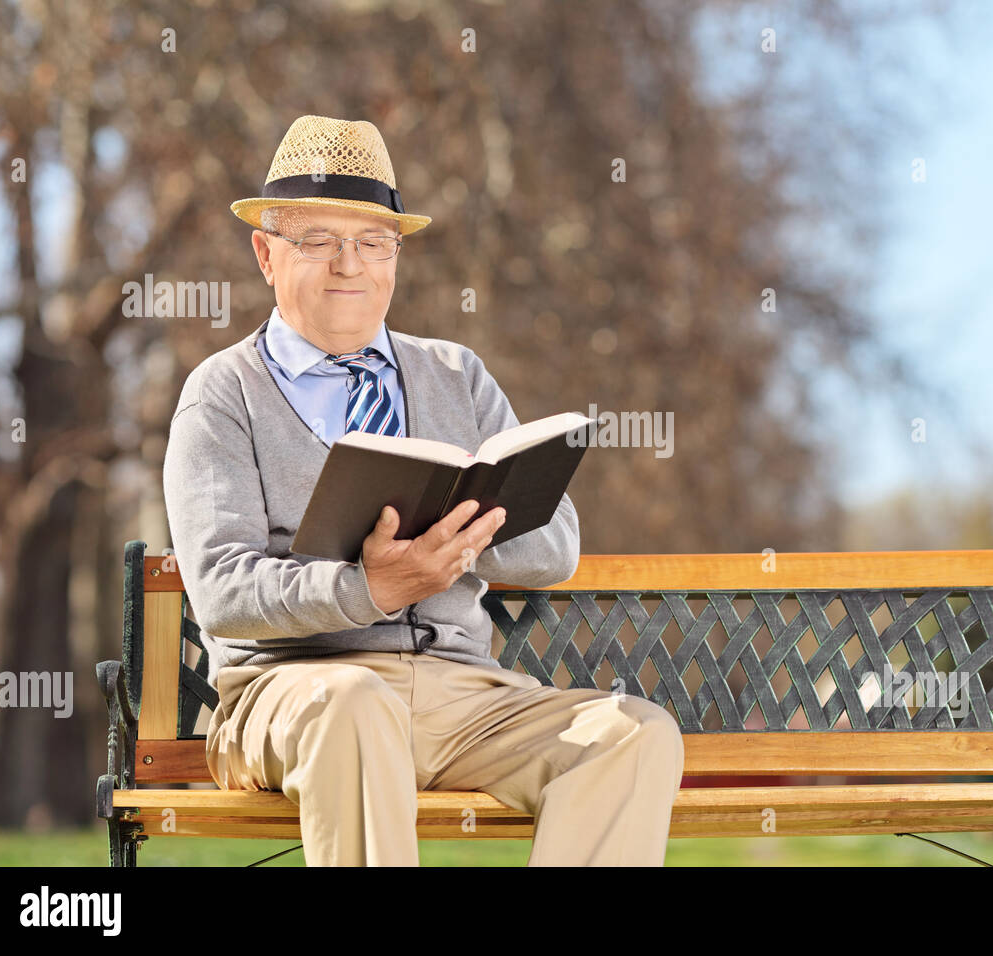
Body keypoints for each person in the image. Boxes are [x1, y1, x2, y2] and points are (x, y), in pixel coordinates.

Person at [162, 114, 684, 866]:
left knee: (633, 735)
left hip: (460, 695)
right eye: (319, 241)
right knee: (356, 705)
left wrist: (475, 520)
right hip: (291, 697)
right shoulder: (222, 393)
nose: (351, 264)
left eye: (374, 242)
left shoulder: (455, 375)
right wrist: (368, 587)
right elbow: (221, 592)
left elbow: (557, 551)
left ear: (396, 257)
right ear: (266, 254)